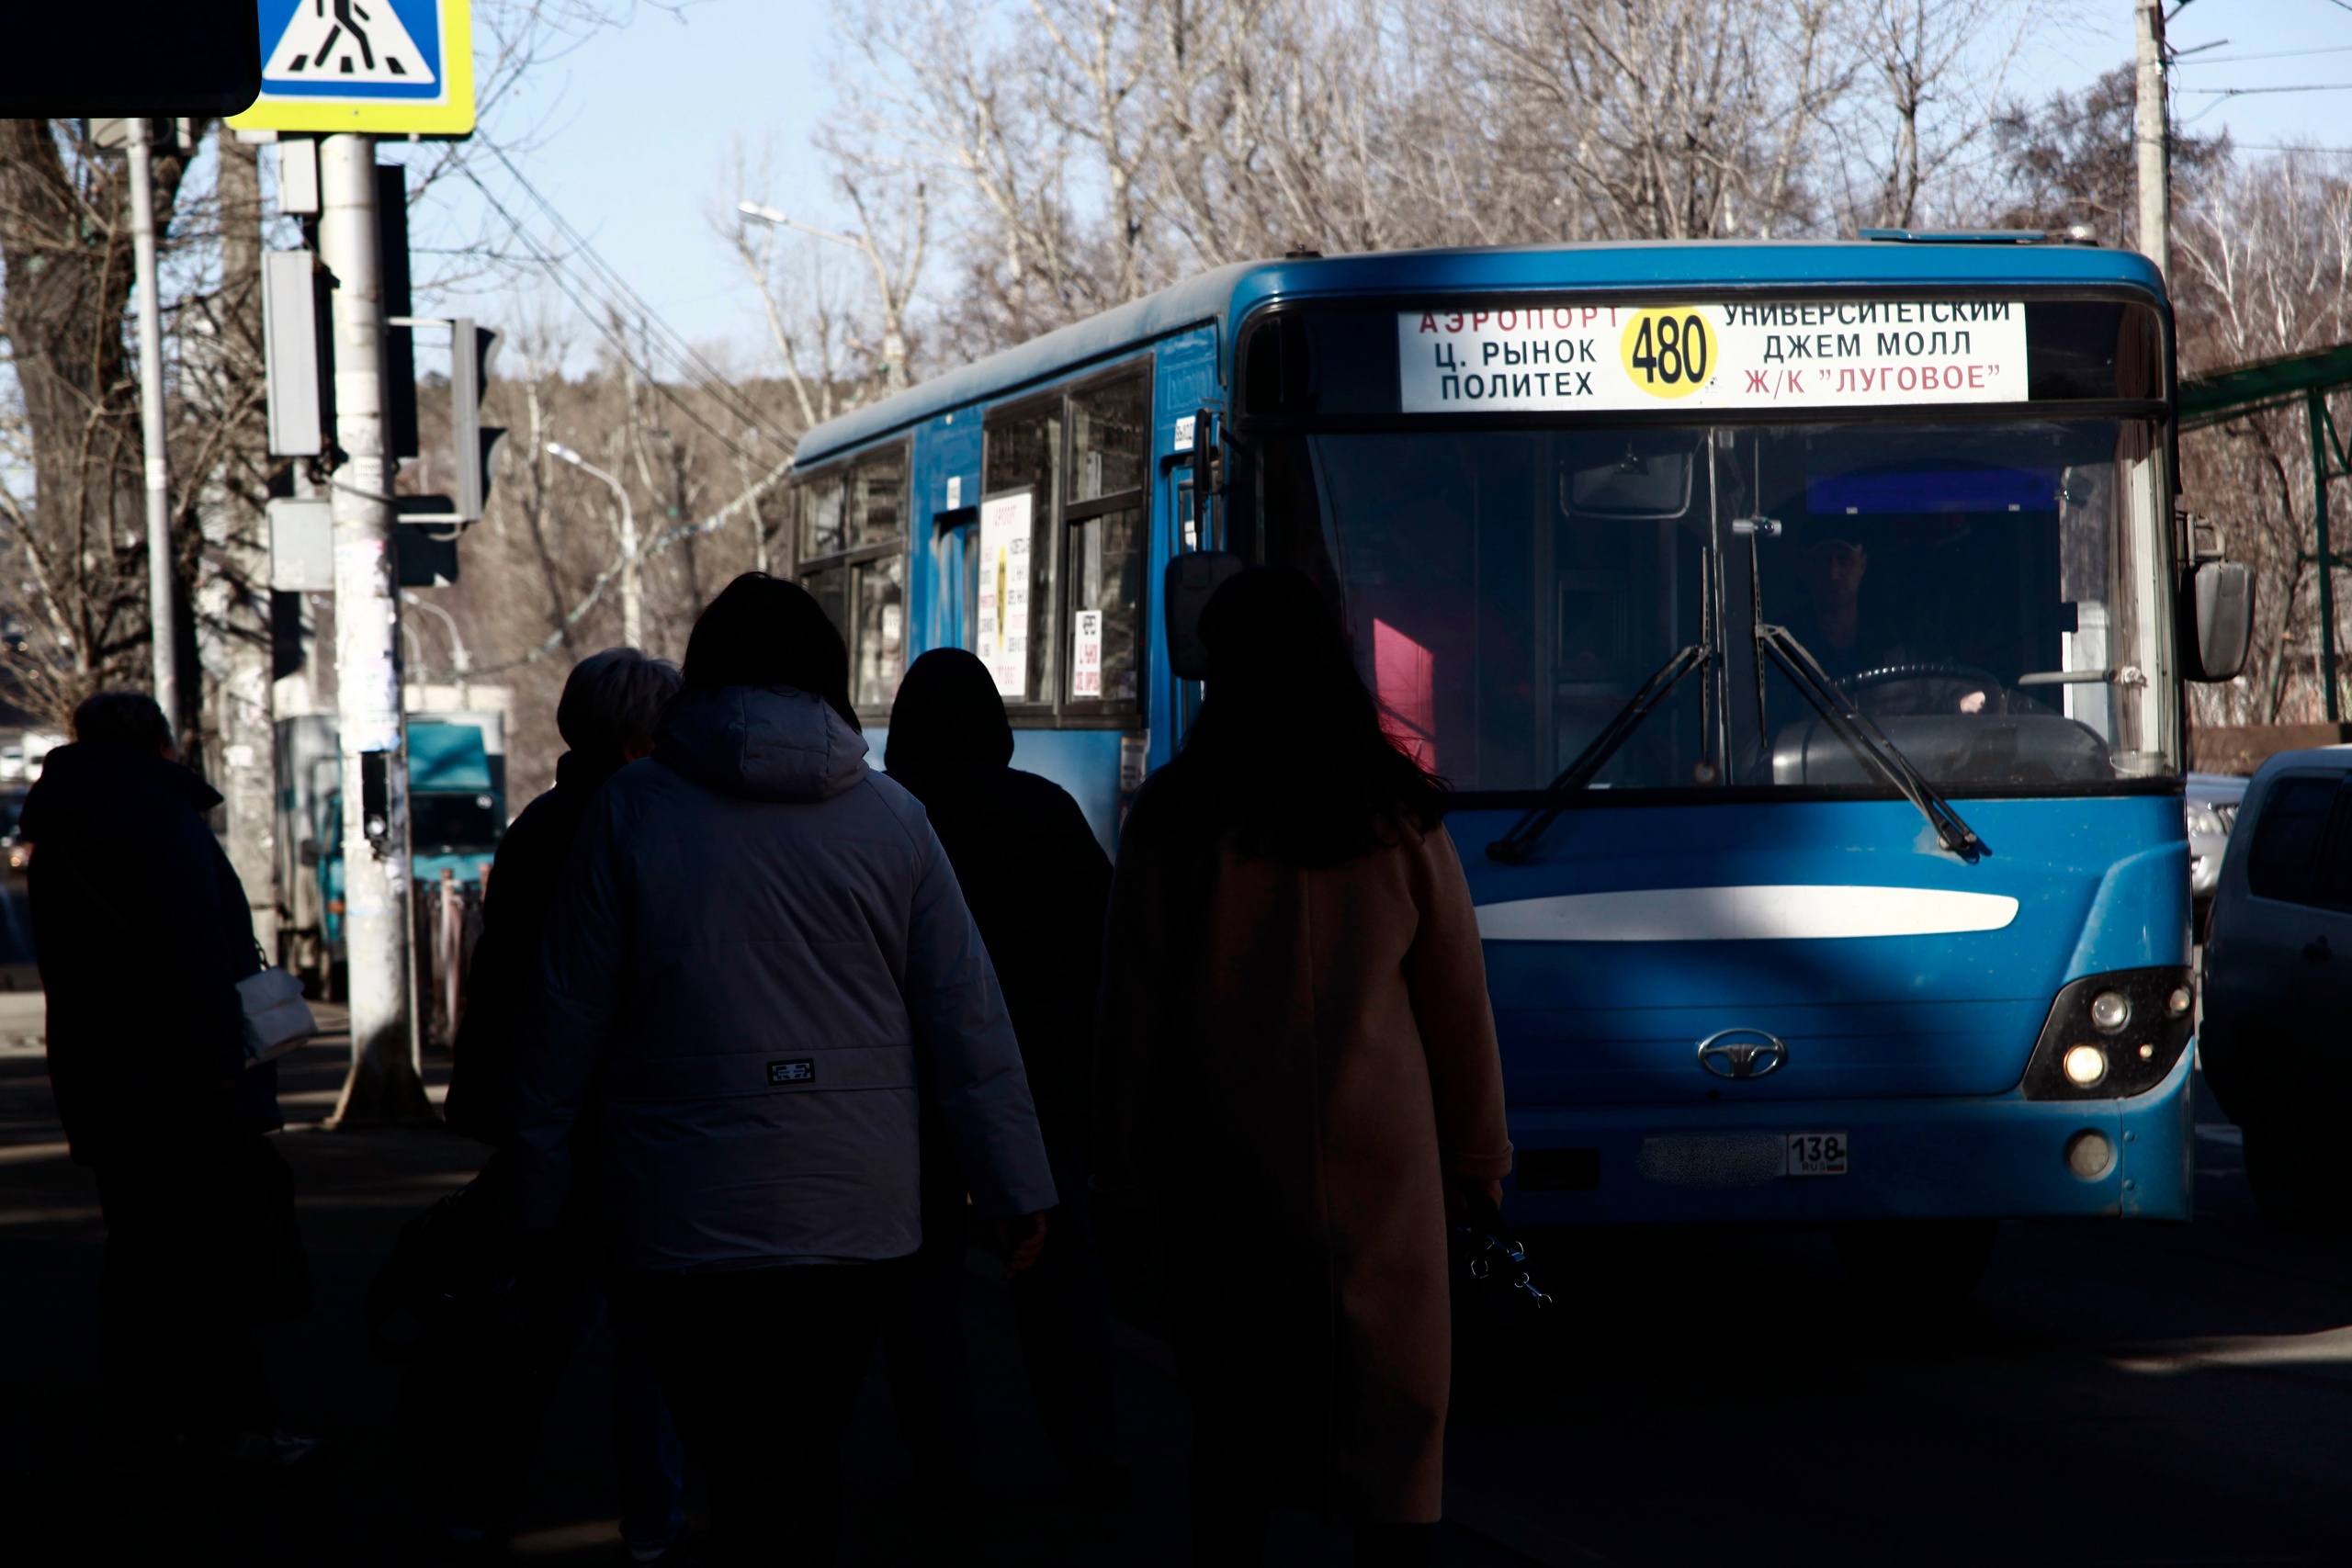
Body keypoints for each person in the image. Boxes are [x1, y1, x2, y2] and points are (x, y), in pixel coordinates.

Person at [511, 574, 1057, 1566]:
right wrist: (1016, 1185)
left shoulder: (631, 810)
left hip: (681, 1201)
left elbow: (563, 1019)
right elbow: (968, 1025)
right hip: (852, 1209)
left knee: (733, 1454)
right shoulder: (892, 820)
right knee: (807, 1444)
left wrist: (536, 1180)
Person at [1094, 568, 1512, 1568]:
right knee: (1393, 1441)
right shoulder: (1401, 816)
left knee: (1234, 1434)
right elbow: (1458, 1011)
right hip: (1386, 1172)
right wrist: (1479, 1162)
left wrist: (1122, 1176)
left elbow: (1130, 1017)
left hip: (1223, 1169)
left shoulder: (1174, 819)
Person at [412, 649, 689, 1564]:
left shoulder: (541, 826)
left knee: (528, 1334)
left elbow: (500, 990)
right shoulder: (634, 825)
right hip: (610, 1120)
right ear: (639, 737)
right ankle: (656, 1521)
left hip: (546, 1122)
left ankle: (477, 1504)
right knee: (634, 1332)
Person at [25, 691, 314, 1475]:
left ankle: (145, 1424)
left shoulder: (58, 825)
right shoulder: (158, 816)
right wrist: (226, 1060)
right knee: (208, 1251)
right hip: (181, 1074)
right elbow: (197, 945)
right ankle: (233, 1425)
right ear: (162, 744)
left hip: (101, 1069)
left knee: (142, 1252)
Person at [881, 648, 1126, 1501]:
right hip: (1035, 1077)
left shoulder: (887, 817)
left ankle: (945, 1463)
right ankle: (1088, 1449)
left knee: (922, 1280)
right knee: (1058, 1270)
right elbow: (1106, 949)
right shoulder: (1045, 811)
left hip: (909, 1086)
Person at [1789, 536, 1905, 683]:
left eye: (1844, 560)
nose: (1834, 575)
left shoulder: (1890, 632)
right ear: (1805, 569)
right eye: (1822, 561)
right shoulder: (1787, 640)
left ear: (1862, 564)